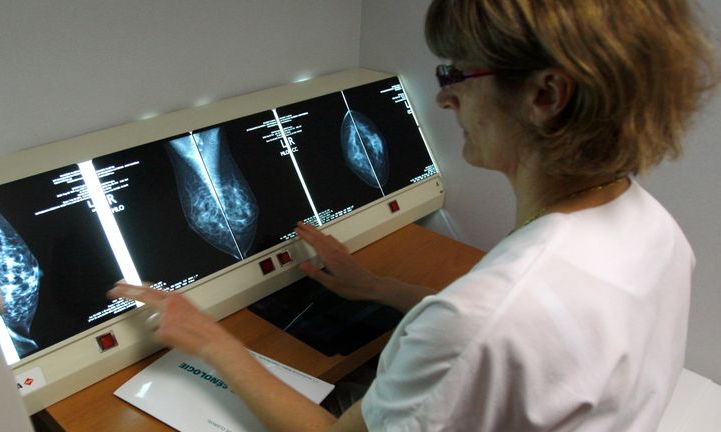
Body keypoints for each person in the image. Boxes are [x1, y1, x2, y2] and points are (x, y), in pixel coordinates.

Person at [109, 0, 717, 430]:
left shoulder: (486, 319)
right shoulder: (653, 226)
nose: (445, 96)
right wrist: (377, 285)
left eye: (456, 73)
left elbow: (488, 329)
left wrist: (208, 338)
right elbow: (531, 333)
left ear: (545, 96)